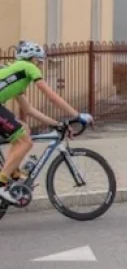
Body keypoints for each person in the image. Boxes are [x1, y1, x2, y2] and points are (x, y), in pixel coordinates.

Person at [0, 42, 94, 205]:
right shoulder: (28, 67)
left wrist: (57, 124)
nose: (41, 65)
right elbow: (52, 96)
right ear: (33, 59)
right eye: (40, 61)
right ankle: (1, 184)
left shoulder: (17, 73)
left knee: (24, 130)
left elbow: (29, 109)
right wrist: (77, 115)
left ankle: (13, 174)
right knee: (25, 141)